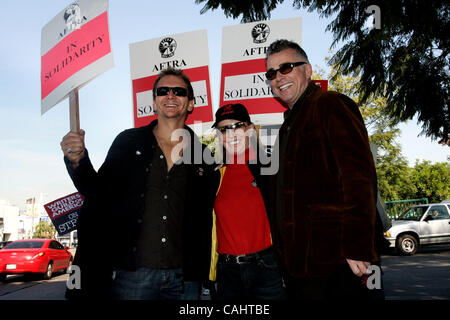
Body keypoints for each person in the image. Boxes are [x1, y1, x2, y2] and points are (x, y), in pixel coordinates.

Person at [60, 67, 216, 300]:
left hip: (185, 280)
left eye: (179, 92)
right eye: (163, 91)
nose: (171, 95)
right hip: (133, 277)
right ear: (154, 103)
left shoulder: (205, 157)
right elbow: (97, 193)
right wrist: (78, 161)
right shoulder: (128, 141)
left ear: (191, 103)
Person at [265, 39, 382, 300]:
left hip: (339, 263)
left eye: (286, 68)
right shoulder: (287, 127)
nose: (278, 78)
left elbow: (359, 179)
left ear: (307, 70)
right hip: (300, 269)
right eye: (271, 73)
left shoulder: (331, 105)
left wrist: (358, 246)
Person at [208, 103, 286, 300]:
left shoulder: (271, 169)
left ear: (250, 129)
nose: (231, 134)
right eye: (224, 129)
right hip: (227, 274)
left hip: (267, 269)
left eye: (237, 126)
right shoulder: (214, 176)